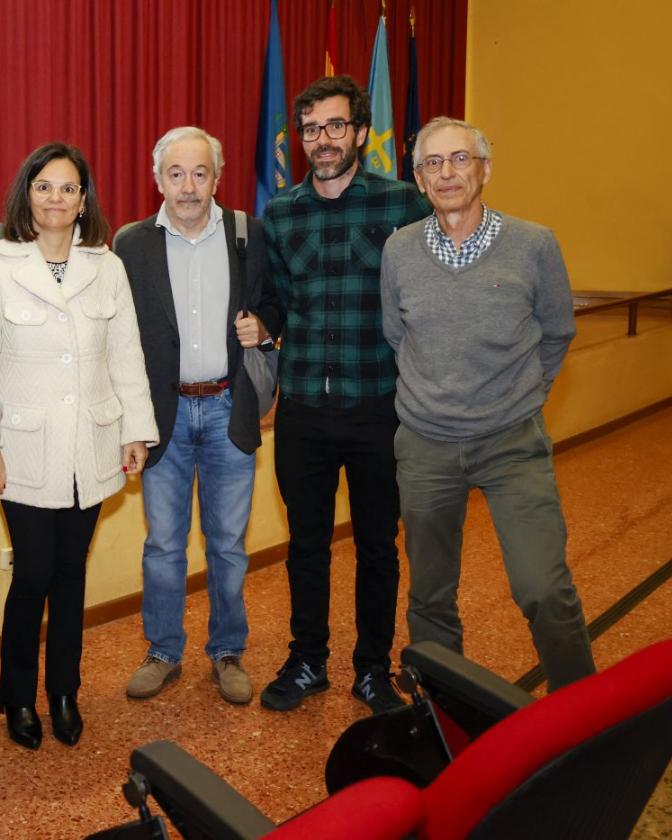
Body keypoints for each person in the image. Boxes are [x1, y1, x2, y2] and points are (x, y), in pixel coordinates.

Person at [381, 116, 596, 691]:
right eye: (434, 163)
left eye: (460, 160)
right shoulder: (399, 251)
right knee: (429, 593)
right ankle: (441, 710)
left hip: (512, 443)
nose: (448, 173)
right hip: (425, 445)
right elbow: (398, 336)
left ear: (485, 169)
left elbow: (556, 334)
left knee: (543, 587)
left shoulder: (533, 245)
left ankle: (585, 718)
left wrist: (518, 396)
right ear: (420, 179)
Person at [0, 143, 158, 749]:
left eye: (69, 188)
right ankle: (18, 695)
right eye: (45, 186)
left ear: (85, 200)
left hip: (92, 445)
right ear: (26, 194)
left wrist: (137, 430)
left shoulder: (105, 267)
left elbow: (127, 352)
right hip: (23, 450)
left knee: (71, 575)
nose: (57, 198)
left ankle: (63, 692)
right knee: (32, 573)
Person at [261, 75, 431, 715]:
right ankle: (307, 661)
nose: (323, 140)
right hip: (302, 408)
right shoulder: (281, 212)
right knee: (304, 544)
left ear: (361, 132)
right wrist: (261, 325)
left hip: (377, 407)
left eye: (335, 127)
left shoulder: (402, 205)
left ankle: (372, 669)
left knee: (376, 547)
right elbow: (276, 301)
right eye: (310, 129)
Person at [116, 126, 280, 706]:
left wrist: (263, 326)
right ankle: (163, 650)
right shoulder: (131, 244)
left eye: (200, 173)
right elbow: (118, 336)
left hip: (228, 408)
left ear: (218, 176)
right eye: (176, 174)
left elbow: (275, 302)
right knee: (164, 545)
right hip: (163, 416)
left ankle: (228, 650)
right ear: (157, 177)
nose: (188, 187)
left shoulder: (247, 234)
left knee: (229, 544)